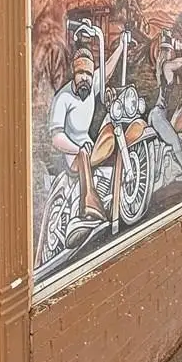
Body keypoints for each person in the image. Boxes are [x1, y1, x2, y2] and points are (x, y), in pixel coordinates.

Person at [48, 31, 129, 247]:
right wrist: (77, 148)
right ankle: (88, 210)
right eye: (80, 73)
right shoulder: (63, 98)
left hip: (89, 147)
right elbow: (56, 137)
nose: (85, 77)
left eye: (88, 73)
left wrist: (121, 46)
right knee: (84, 152)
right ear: (74, 73)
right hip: (73, 155)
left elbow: (108, 69)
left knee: (111, 131)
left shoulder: (91, 86)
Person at [150, 30, 182, 180]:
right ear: (168, 51)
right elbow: (181, 61)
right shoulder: (167, 66)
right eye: (171, 51)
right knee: (174, 141)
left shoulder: (160, 67)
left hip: (158, 113)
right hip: (158, 114)